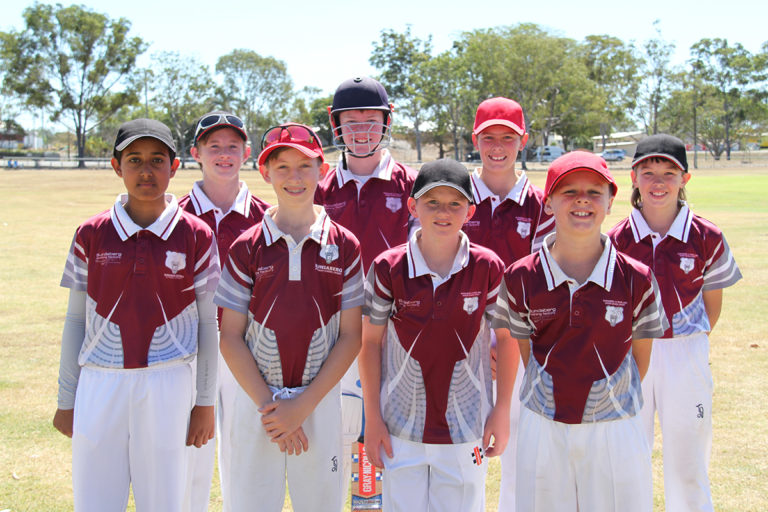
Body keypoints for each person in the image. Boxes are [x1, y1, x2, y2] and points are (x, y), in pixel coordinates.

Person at [53, 118, 220, 511]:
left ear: (174, 166)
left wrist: (205, 402)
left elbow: (208, 323)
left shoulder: (196, 234)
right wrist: (66, 398)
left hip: (169, 383)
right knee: (96, 501)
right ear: (116, 167)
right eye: (134, 160)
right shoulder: (90, 233)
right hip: (99, 382)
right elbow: (76, 321)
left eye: (157, 160)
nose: (146, 171)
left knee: (164, 501)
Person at [493, 151, 669, 511]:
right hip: (543, 421)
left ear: (610, 200)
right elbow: (529, 353)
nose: (582, 201)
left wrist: (606, 396)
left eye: (594, 191)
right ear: (548, 202)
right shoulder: (520, 276)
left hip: (615, 423)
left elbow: (639, 359)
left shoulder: (637, 277)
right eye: (568, 191)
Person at [215, 123, 364, 512]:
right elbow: (230, 336)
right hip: (257, 404)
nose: (294, 177)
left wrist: (302, 407)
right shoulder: (246, 245)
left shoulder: (344, 244)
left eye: (305, 166)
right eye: (282, 167)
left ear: (323, 170)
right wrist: (272, 407)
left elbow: (351, 336)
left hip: (320, 402)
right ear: (265, 173)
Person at [360, 159, 515, 512]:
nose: (443, 212)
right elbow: (369, 344)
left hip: (466, 428)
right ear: (413, 206)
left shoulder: (487, 266)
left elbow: (506, 340)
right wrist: (373, 419)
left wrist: (502, 409)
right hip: (400, 428)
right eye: (432, 203)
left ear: (470, 211)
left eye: (454, 204)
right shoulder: (387, 267)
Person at [607, 134, 742, 511]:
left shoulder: (707, 236)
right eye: (648, 172)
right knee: (630, 451)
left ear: (685, 179)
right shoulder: (616, 240)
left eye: (669, 172)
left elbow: (711, 307)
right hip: (632, 355)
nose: (659, 181)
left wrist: (685, 342)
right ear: (633, 177)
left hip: (686, 353)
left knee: (688, 458)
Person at [314, 76, 418, 491]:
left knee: (391, 439)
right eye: (351, 121)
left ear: (386, 122)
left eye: (370, 120)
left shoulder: (412, 184)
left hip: (394, 332)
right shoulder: (318, 187)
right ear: (335, 124)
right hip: (333, 333)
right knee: (336, 440)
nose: (361, 130)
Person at [463, 96, 553, 512]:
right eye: (488, 138)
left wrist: (509, 339)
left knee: (521, 448)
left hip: (522, 338)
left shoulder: (543, 204)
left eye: (507, 138)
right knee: (466, 447)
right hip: (461, 338)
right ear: (475, 140)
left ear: (524, 141)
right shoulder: (454, 194)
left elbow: (542, 279)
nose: (497, 147)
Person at [178, 110, 269, 512]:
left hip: (247, 348)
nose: (224, 154)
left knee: (245, 453)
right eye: (213, 146)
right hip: (189, 348)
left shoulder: (267, 216)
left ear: (247, 152)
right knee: (190, 455)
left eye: (233, 146)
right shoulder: (173, 215)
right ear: (196, 152)